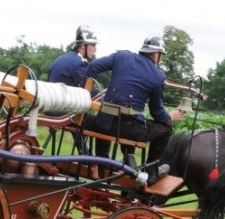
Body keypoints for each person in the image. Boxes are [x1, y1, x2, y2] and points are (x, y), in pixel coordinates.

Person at [82, 33, 184, 173]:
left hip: (103, 123)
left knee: (107, 119)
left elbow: (93, 67)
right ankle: (151, 171)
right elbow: (156, 111)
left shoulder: (122, 56)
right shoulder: (158, 75)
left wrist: (85, 96)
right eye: (162, 55)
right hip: (127, 129)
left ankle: (105, 162)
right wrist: (169, 118)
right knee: (165, 129)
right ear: (156, 54)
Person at [47, 25, 99, 153]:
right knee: (104, 124)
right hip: (62, 112)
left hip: (50, 108)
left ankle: (85, 154)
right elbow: (88, 91)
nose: (95, 49)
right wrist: (106, 95)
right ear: (82, 46)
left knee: (80, 116)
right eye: (92, 45)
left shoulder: (61, 59)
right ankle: (99, 161)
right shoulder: (79, 63)